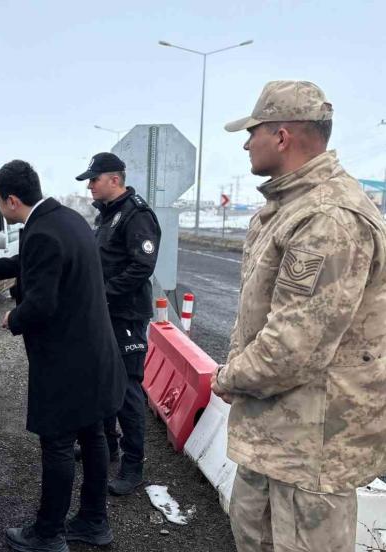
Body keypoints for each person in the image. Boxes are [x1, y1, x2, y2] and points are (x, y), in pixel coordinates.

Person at [212, 80, 386, 552]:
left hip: (310, 449)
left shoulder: (327, 217)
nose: (247, 144)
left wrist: (229, 378)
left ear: (282, 136)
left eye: (253, 133)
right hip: (277, 437)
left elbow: (293, 347)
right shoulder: (290, 208)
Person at [0, 160, 125, 552]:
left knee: (57, 443)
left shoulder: (41, 232)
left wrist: (13, 318)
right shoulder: (66, 219)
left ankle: (48, 533)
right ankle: (93, 522)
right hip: (94, 354)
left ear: (12, 200)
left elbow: (41, 303)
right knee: (93, 435)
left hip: (66, 362)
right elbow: (32, 263)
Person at [75, 152, 161, 496]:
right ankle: (107, 446)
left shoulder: (136, 215)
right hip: (105, 314)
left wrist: (103, 293)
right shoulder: (107, 215)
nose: (89, 186)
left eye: (93, 179)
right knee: (102, 382)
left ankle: (132, 466)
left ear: (114, 179)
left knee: (126, 390)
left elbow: (142, 266)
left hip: (126, 315)